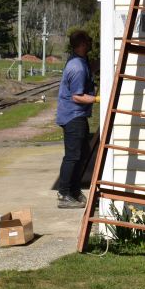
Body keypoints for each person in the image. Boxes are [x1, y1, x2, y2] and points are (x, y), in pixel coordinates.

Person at [55, 29, 96, 208]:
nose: (90, 45)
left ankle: (73, 190)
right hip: (73, 115)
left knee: (82, 154)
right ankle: (64, 194)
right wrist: (98, 99)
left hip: (76, 115)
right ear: (82, 45)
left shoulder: (78, 61)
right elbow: (77, 96)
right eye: (87, 42)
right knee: (73, 156)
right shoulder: (78, 67)